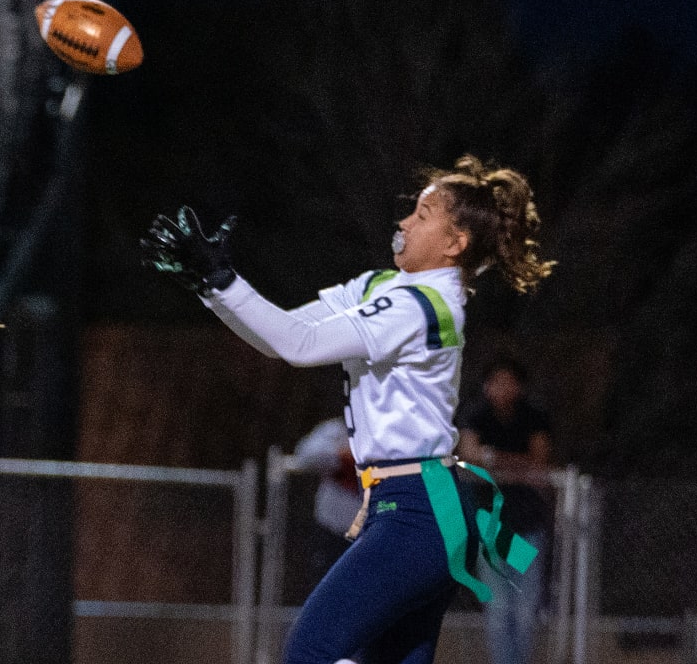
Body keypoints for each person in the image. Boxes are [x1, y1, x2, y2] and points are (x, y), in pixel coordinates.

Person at [141, 154, 554, 664]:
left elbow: (297, 344)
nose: (403, 222)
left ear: (455, 243)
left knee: (310, 652)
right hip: (430, 504)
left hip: (420, 508)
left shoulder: (421, 305)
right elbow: (283, 334)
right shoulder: (387, 287)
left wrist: (223, 281)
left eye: (422, 216)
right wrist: (212, 286)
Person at [455, 358, 554, 664]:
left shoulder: (532, 416)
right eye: (496, 381)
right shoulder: (477, 415)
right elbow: (469, 454)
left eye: (509, 381)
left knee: (525, 611)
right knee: (499, 608)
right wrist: (512, 462)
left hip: (526, 525)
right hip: (493, 526)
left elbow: (539, 459)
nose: (502, 388)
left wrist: (494, 460)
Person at [288, 417, 363, 585]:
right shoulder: (336, 431)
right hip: (333, 531)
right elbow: (305, 455)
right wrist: (343, 457)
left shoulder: (386, 434)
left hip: (372, 532)